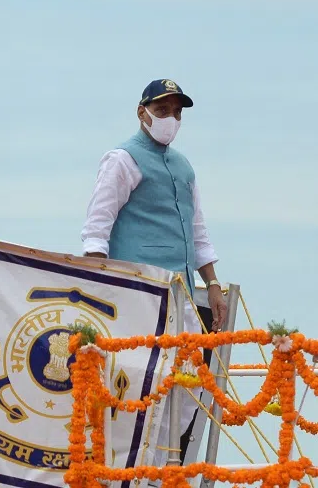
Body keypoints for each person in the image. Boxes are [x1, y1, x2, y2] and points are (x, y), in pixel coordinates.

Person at [80, 78, 228, 471]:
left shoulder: (183, 167)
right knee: (139, 385)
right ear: (142, 112)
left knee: (189, 386)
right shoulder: (123, 159)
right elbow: (98, 225)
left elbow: (199, 233)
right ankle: (130, 469)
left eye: (177, 113)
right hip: (139, 293)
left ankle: (161, 469)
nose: (171, 119)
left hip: (181, 296)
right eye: (163, 111)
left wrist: (213, 285)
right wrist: (101, 286)